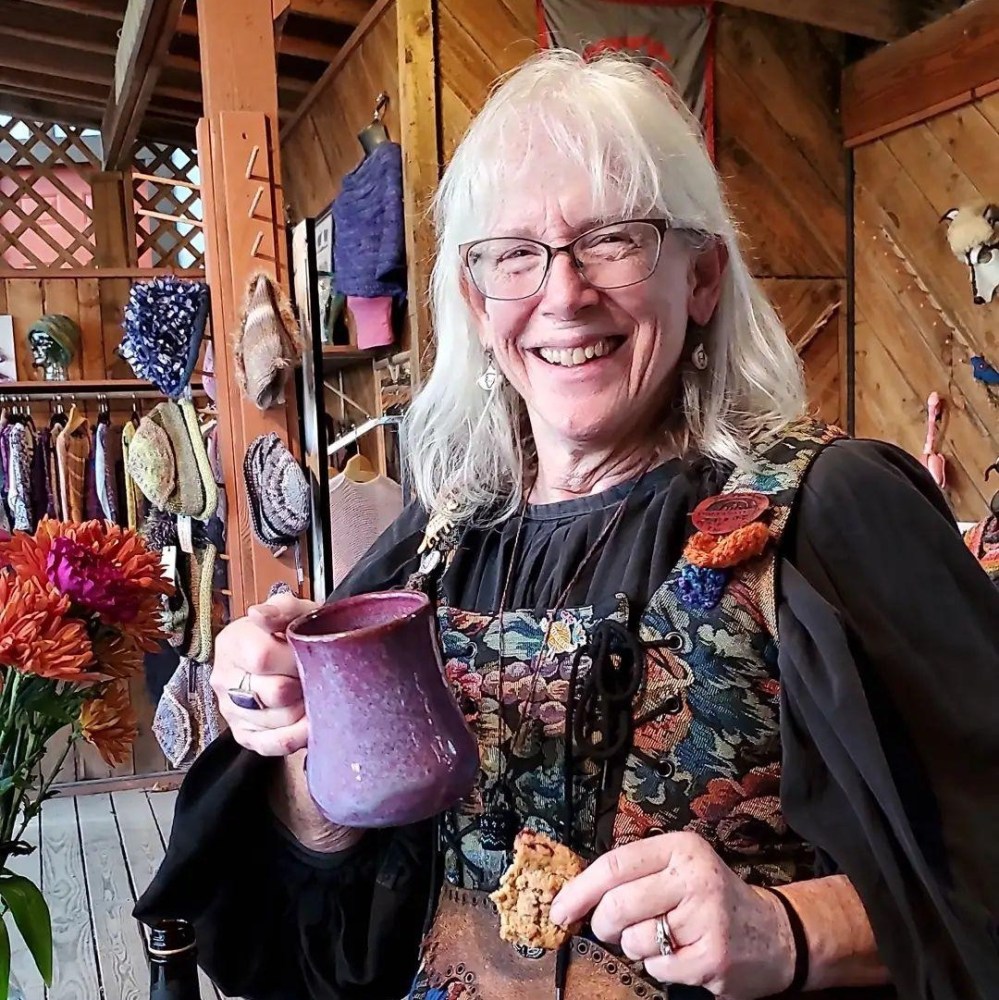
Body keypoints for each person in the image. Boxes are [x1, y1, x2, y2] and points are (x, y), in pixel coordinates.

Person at [136, 51, 999, 1000]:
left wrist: (789, 929)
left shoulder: (831, 509)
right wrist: (300, 743)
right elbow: (322, 938)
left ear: (702, 276)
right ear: (474, 300)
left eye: (612, 240)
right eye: (513, 254)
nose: (562, 293)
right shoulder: (439, 539)